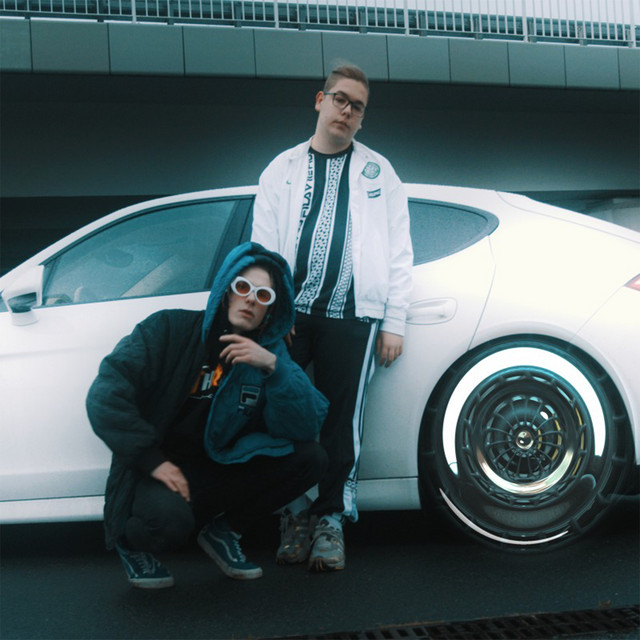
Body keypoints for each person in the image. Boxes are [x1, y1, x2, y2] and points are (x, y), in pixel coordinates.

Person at [86, 242, 329, 589]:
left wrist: (275, 369)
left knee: (311, 458)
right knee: (168, 525)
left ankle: (224, 531)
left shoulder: (268, 357)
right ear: (226, 291)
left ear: (271, 309)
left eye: (263, 295)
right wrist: (151, 459)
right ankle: (130, 542)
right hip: (157, 470)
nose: (250, 300)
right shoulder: (168, 328)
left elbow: (304, 426)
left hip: (216, 466)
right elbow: (106, 394)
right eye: (243, 287)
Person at [252, 64, 413, 572]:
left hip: (353, 316)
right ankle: (293, 513)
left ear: (362, 118)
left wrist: (395, 320)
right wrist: (272, 313)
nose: (346, 110)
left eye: (356, 106)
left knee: (341, 422)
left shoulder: (380, 173)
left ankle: (330, 519)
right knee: (281, 415)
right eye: (339, 99)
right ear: (319, 100)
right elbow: (262, 248)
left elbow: (399, 251)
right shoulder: (281, 169)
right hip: (290, 317)